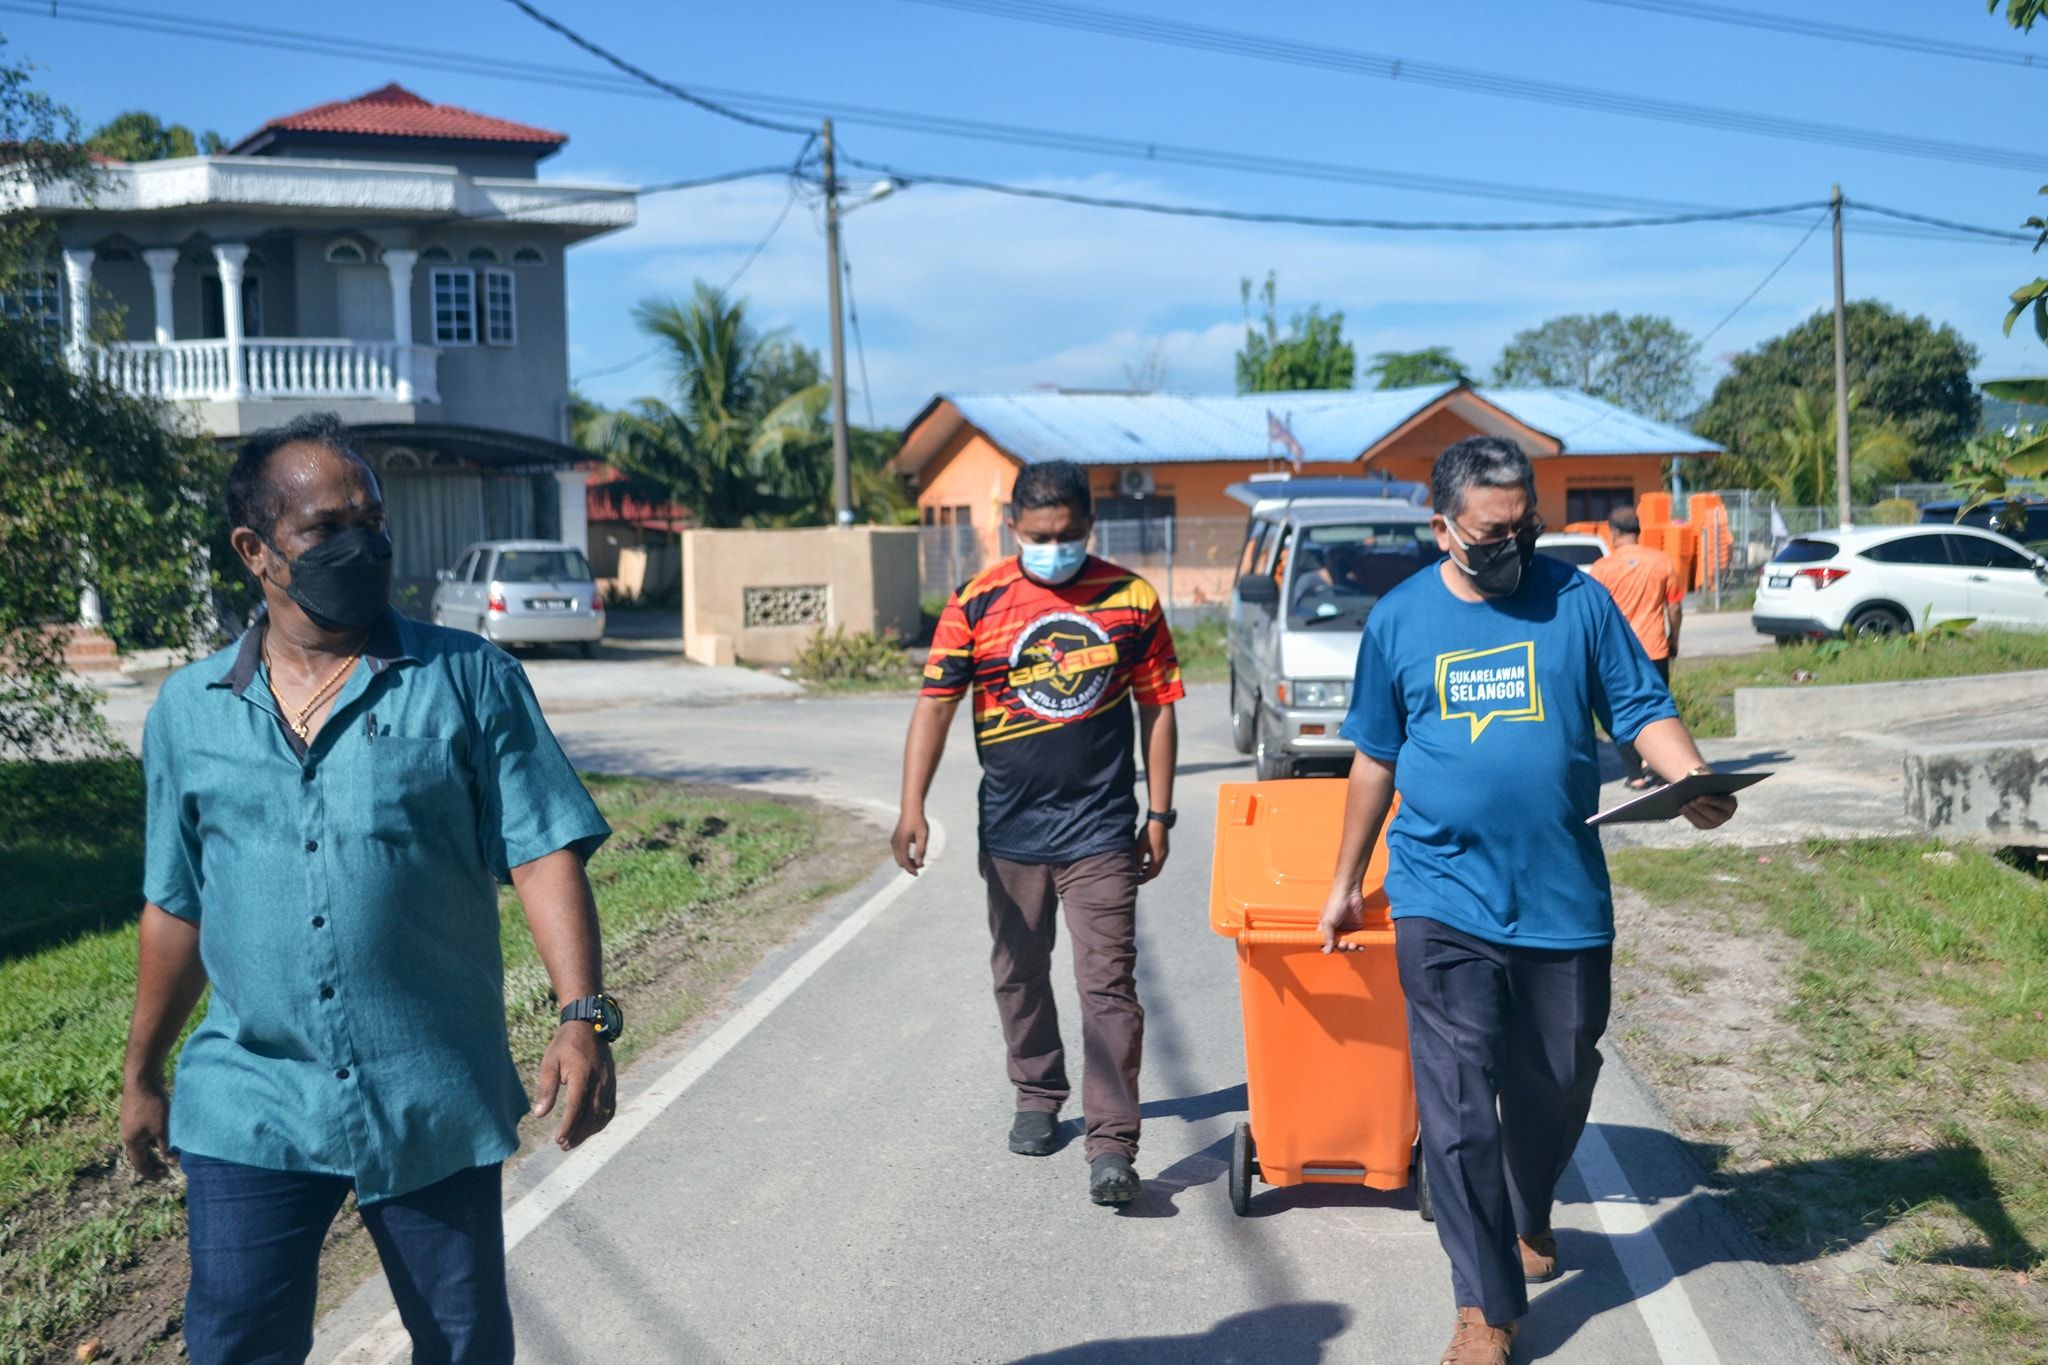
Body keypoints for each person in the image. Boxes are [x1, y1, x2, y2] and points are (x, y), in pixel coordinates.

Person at [122, 413, 619, 1365]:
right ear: (255, 550)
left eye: (374, 519)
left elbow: (541, 846)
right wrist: (143, 1074)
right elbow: (175, 904)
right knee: (234, 1342)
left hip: (426, 1086)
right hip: (250, 1094)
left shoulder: (470, 677)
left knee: (463, 1343)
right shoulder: (189, 711)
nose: (365, 545)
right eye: (327, 527)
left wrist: (581, 1012)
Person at [1315, 437, 1735, 1365]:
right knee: (1458, 1103)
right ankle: (1484, 1306)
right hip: (1440, 893)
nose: (1513, 543)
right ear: (1442, 529)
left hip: (1560, 894)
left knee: (1558, 1075)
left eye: (1526, 525)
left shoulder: (1576, 602)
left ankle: (1529, 1199)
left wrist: (1693, 775)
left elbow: (1640, 710)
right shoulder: (1399, 620)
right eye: (1491, 531)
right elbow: (1375, 757)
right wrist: (1345, 882)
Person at [892, 459, 1183, 1206]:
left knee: (1107, 984)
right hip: (1011, 830)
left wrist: (1159, 812)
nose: (1056, 547)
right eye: (1041, 534)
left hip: (1101, 829)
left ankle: (1113, 1141)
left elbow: (1157, 706)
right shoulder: (976, 600)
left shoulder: (1131, 598)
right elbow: (934, 705)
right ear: (1013, 525)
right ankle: (1036, 1092)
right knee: (1018, 971)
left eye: (1071, 533)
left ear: (1091, 524)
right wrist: (912, 805)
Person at [1588, 504, 1685, 790]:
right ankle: (1658, 763)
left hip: (1618, 655)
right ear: (1639, 531)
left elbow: (1594, 614)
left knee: (1620, 711)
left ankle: (1636, 774)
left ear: (1613, 532)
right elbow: (1675, 607)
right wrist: (1673, 640)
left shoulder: (1602, 568)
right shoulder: (1662, 562)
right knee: (1657, 710)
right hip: (1655, 649)